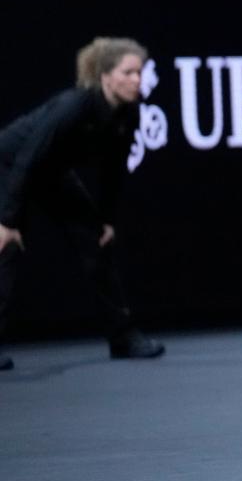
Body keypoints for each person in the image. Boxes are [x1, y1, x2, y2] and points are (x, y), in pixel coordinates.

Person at [0, 37, 165, 371]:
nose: (137, 80)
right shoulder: (74, 105)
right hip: (10, 164)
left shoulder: (129, 113)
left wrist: (105, 220)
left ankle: (123, 337)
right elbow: (29, 158)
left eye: (140, 72)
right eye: (128, 72)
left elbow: (113, 172)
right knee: (5, 249)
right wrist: (7, 222)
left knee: (96, 241)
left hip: (51, 172)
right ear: (106, 76)